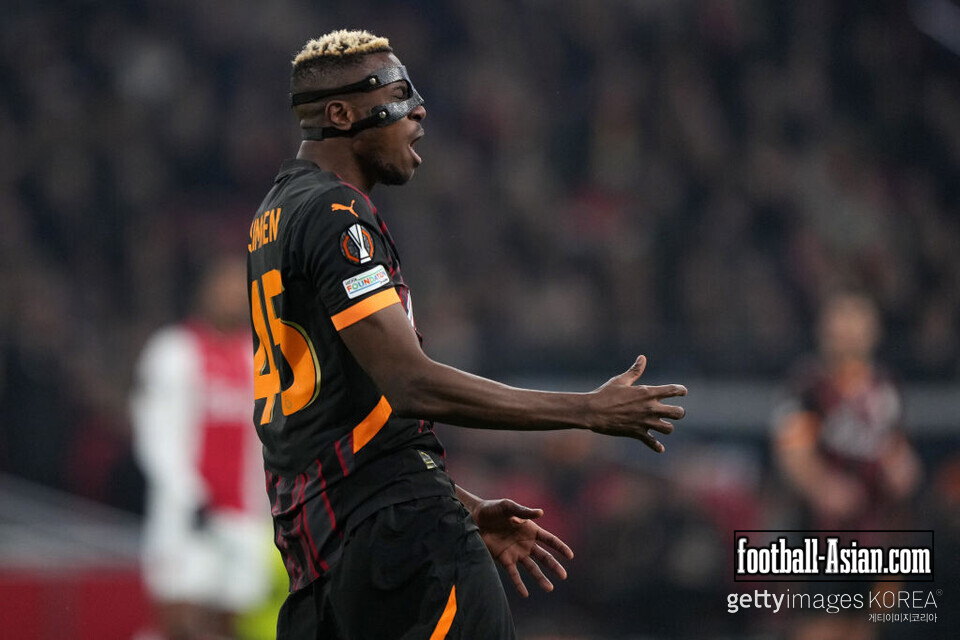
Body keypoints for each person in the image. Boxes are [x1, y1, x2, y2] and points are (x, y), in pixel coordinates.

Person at [248, 29, 687, 639]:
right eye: (398, 93)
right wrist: (586, 410)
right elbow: (409, 384)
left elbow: (337, 416)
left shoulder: (272, 218)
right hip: (399, 548)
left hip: (325, 554)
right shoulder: (335, 215)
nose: (419, 110)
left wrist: (463, 501)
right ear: (341, 114)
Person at [132, 256, 276, 640]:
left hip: (246, 516)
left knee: (227, 623)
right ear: (204, 292)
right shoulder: (172, 351)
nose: (231, 297)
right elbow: (154, 432)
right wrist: (186, 493)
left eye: (237, 290)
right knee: (180, 620)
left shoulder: (260, 357)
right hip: (188, 515)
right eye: (223, 288)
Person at [772, 292, 922, 640]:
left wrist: (903, 468)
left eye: (857, 316)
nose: (848, 328)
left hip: (875, 535)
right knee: (821, 627)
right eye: (839, 317)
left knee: (865, 628)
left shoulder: (887, 388)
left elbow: (897, 447)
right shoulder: (807, 386)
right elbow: (793, 449)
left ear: (875, 328)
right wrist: (820, 485)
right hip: (820, 537)